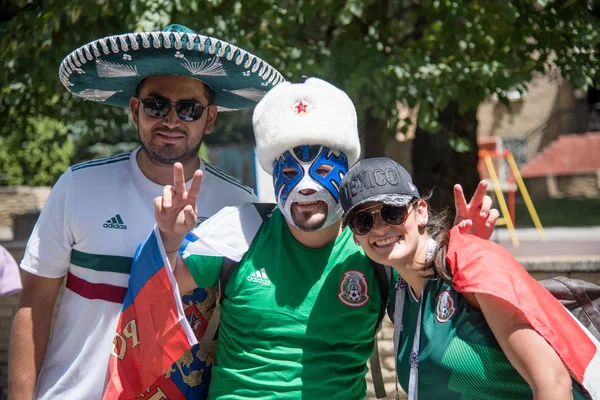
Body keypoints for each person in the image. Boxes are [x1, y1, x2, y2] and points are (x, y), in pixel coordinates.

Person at [150, 77, 499, 398]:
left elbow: (444, 318)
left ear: (346, 176)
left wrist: (468, 250)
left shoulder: (377, 247)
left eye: (322, 171)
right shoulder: (239, 231)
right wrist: (169, 237)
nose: (304, 186)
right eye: (289, 172)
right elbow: (155, 294)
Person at [8, 24, 284, 400]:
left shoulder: (241, 207)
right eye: (156, 105)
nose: (171, 120)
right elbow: (34, 305)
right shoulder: (78, 187)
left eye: (189, 109)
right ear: (135, 110)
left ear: (211, 118)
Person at [339, 157, 600, 400]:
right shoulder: (400, 295)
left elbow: (553, 383)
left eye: (392, 211)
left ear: (421, 211)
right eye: (363, 221)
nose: (381, 227)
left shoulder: (473, 264)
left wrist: (465, 248)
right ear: (355, 236)